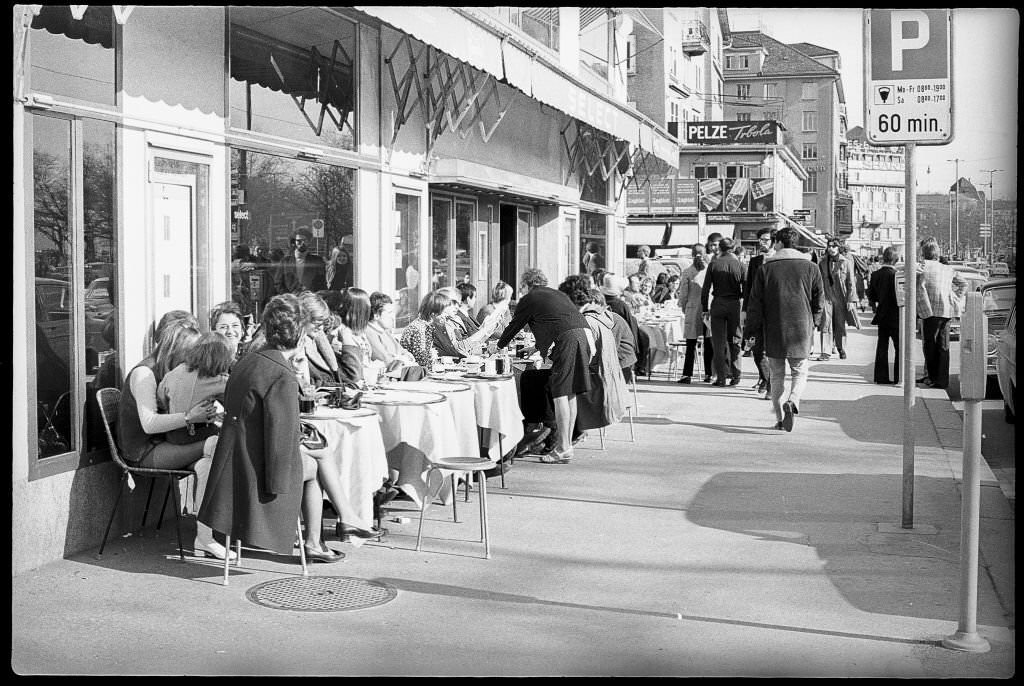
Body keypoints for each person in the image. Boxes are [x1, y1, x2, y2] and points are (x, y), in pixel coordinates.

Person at [199, 294, 344, 563]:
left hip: (232, 461)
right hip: (258, 470)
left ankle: (336, 526)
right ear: (300, 334)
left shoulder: (248, 361)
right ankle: (316, 541)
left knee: (314, 459)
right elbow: (281, 438)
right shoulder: (282, 374)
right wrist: (279, 483)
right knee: (314, 468)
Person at [117, 311, 230, 559]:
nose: (195, 358)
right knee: (216, 444)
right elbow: (149, 424)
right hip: (144, 451)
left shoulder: (172, 373)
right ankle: (229, 523)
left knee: (206, 465)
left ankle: (205, 538)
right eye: (191, 352)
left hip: (167, 443)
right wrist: (190, 417)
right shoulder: (144, 373)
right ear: (175, 349)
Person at [496, 268, 594, 464]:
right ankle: (567, 446)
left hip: (567, 340)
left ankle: (562, 448)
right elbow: (556, 321)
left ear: (527, 284)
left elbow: (514, 325)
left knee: (560, 394)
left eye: (521, 287)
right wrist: (535, 347)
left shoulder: (530, 298)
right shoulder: (556, 294)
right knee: (570, 393)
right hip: (583, 335)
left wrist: (497, 347)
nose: (521, 291)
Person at [743, 226, 824, 432]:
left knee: (777, 375)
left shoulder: (765, 269)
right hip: (801, 327)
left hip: (774, 327)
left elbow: (755, 304)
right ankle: (793, 400)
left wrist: (751, 331)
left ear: (778, 243)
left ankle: (780, 419)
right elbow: (819, 301)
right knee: (800, 372)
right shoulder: (811, 267)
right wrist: (814, 322)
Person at [563, 280, 626, 436]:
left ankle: (560, 433)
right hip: (608, 381)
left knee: (546, 383)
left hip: (594, 383)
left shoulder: (587, 322)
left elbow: (581, 356)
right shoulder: (601, 318)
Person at [916, 237, 968, 389]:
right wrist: (955, 297)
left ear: (923, 252)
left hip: (929, 311)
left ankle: (932, 377)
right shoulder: (948, 269)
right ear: (937, 253)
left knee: (929, 345)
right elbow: (963, 283)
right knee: (943, 346)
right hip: (947, 311)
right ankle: (942, 380)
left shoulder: (922, 267)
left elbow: (916, 287)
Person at [702, 236, 745, 386]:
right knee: (735, 340)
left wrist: (704, 308)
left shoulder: (714, 264)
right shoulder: (740, 265)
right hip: (734, 304)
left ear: (720, 248)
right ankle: (736, 375)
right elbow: (746, 288)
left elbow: (706, 289)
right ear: (733, 249)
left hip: (718, 303)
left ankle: (721, 378)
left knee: (718, 342)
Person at [432, 286, 508, 360]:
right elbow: (457, 350)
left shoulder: (452, 320)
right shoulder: (439, 323)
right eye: (453, 303)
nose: (457, 306)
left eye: (458, 303)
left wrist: (490, 329)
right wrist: (484, 330)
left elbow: (467, 346)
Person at [364, 291, 426, 380]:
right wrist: (401, 359)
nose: (393, 317)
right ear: (376, 315)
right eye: (389, 313)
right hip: (388, 378)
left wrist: (403, 357)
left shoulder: (385, 331)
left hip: (401, 373)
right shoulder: (370, 332)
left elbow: (403, 351)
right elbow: (386, 360)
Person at [743, 228, 775, 394]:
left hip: (774, 312)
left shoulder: (778, 260)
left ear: (773, 241)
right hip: (756, 312)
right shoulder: (755, 261)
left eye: (766, 240)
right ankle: (765, 378)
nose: (762, 243)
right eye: (761, 240)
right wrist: (744, 310)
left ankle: (769, 385)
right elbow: (748, 287)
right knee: (756, 350)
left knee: (772, 352)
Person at [676, 244, 714, 384]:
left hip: (693, 308)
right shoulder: (710, 270)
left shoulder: (687, 272)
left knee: (691, 343)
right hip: (708, 308)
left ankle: (687, 374)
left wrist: (683, 306)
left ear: (692, 255)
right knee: (708, 342)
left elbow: (683, 293)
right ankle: (709, 373)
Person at [600, 274, 647, 378]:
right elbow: (631, 329)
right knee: (644, 338)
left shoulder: (599, 304)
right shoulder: (621, 305)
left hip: (602, 342)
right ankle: (640, 366)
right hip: (620, 346)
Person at [818, 237, 857, 360]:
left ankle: (841, 348)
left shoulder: (846, 262)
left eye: (834, 246)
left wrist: (851, 300)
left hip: (841, 297)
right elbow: (818, 281)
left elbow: (851, 282)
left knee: (840, 324)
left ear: (839, 247)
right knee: (826, 324)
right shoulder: (822, 262)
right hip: (827, 297)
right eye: (829, 246)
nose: (831, 249)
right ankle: (826, 352)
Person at [867, 246, 900, 385]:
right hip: (896, 315)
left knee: (882, 345)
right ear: (896, 260)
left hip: (882, 314)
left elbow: (871, 295)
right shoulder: (897, 275)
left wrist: (876, 305)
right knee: (899, 347)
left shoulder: (876, 275)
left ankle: (881, 376)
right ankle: (899, 376)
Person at [295, 291, 341, 386]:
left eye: (322, 323)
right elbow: (305, 384)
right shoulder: (296, 347)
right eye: (317, 324)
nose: (321, 328)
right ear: (303, 319)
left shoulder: (318, 341)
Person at [400, 291, 450, 367]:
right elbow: (422, 361)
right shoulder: (418, 329)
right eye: (445, 313)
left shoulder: (427, 326)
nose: (447, 315)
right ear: (433, 314)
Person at [274, 228, 327, 295]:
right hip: (290, 300)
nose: (302, 243)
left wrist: (314, 297)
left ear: (309, 241)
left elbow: (322, 284)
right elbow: (278, 283)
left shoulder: (318, 261)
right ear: (294, 242)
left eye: (305, 240)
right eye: (299, 241)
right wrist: (289, 297)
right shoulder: (285, 262)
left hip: (310, 300)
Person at [209, 300, 248, 366]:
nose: (230, 331)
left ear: (242, 330)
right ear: (214, 331)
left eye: (235, 325)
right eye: (223, 327)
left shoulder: (249, 358)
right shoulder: (210, 362)